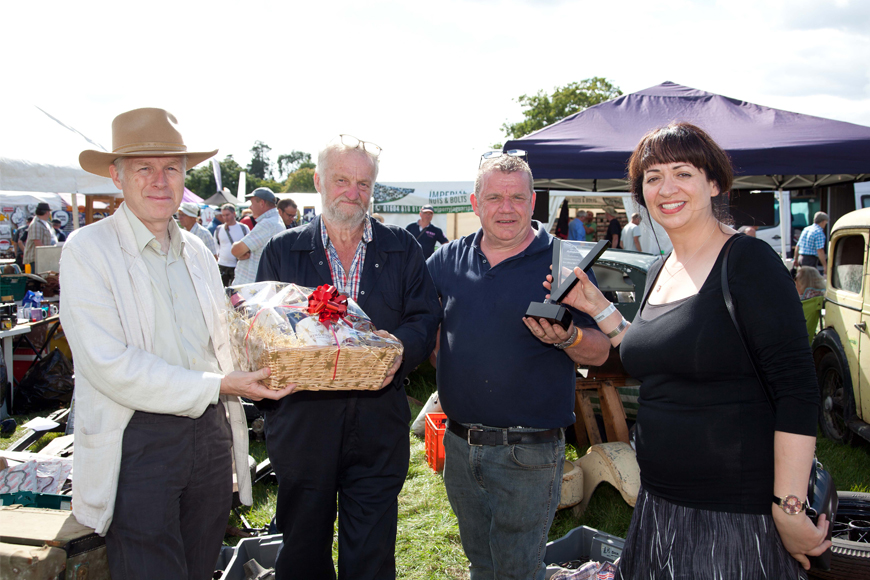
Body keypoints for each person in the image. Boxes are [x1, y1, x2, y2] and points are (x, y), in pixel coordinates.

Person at [550, 122, 828, 579]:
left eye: (683, 172)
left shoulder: (747, 262)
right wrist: (597, 307)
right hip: (658, 505)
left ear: (713, 183)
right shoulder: (662, 268)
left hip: (732, 518)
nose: (667, 188)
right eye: (653, 177)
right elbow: (658, 355)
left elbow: (797, 391)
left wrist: (789, 508)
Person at [62, 107, 294, 580]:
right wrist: (221, 383)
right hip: (138, 436)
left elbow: (221, 338)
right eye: (144, 168)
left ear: (184, 177)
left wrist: (278, 343)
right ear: (116, 175)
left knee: (200, 561)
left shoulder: (197, 250)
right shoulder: (88, 251)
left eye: (171, 168)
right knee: (149, 567)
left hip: (208, 432)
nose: (159, 181)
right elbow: (109, 365)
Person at [256, 134, 440, 580]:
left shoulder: (402, 248)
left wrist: (397, 349)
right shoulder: (283, 250)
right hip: (304, 421)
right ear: (319, 182)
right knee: (302, 546)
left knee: (372, 551)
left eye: (363, 183)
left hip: (379, 422)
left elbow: (424, 316)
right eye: (342, 180)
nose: (352, 193)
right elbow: (261, 331)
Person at [427, 154, 610, 580]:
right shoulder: (447, 260)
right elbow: (426, 324)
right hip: (459, 444)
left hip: (527, 451)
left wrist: (568, 338)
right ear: (475, 203)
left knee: (518, 570)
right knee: (481, 563)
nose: (505, 208)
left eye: (517, 197)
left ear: (533, 203)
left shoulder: (563, 264)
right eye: (494, 197)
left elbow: (601, 351)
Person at [231, 187, 284, 285]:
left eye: (252, 203)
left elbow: (236, 250)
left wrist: (238, 248)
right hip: (257, 286)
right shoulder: (275, 221)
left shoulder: (267, 224)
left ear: (262, 203)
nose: (250, 208)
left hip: (250, 289)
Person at [214, 203, 250, 286]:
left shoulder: (243, 228)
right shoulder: (219, 229)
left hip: (238, 265)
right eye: (223, 215)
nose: (225, 218)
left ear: (234, 214)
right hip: (223, 265)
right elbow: (216, 247)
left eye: (227, 215)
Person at [23, 203, 58, 270]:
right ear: (47, 212)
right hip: (37, 259)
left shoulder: (46, 223)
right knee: (38, 279)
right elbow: (37, 242)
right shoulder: (36, 224)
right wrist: (47, 255)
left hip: (44, 258)